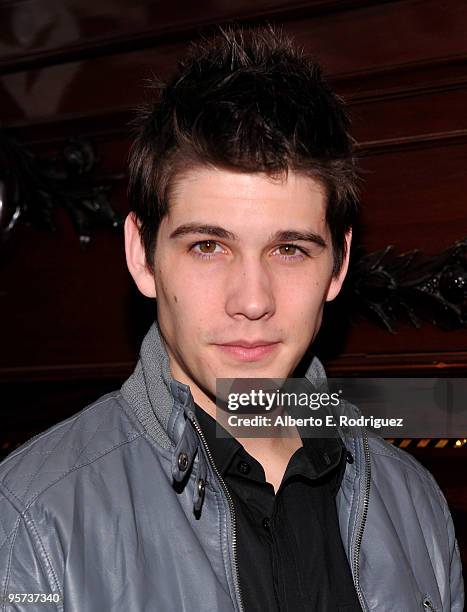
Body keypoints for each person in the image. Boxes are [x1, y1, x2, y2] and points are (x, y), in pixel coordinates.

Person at [0, 25, 463, 612]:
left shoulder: (413, 503)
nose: (251, 300)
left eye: (289, 250)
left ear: (339, 264)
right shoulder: (29, 523)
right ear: (142, 256)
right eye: (208, 247)